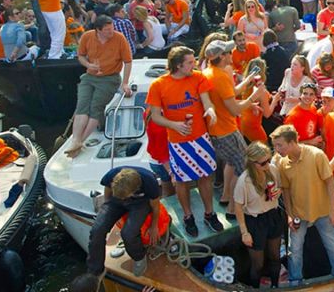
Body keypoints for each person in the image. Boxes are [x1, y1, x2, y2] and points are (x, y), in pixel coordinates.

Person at [145, 46, 224, 237]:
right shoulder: (158, 85)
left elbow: (207, 101)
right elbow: (155, 116)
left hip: (201, 137)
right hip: (178, 141)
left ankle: (209, 212)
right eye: (190, 62)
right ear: (178, 65)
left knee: (206, 176)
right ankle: (188, 216)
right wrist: (175, 125)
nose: (194, 65)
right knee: (182, 180)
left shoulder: (198, 78)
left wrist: (210, 111)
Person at [271, 124, 334, 285]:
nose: (276, 149)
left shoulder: (316, 155)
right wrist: (290, 215)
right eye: (275, 145)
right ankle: (295, 280)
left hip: (323, 210)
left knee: (333, 245)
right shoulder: (283, 163)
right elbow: (286, 191)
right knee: (294, 250)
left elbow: (329, 182)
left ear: (292, 142)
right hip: (299, 214)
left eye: (279, 145)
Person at [204, 39, 263, 217]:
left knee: (232, 163)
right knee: (243, 167)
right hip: (226, 131)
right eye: (229, 52)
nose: (233, 53)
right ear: (222, 57)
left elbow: (231, 94)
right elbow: (234, 109)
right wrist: (254, 96)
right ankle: (232, 209)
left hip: (219, 130)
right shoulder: (220, 76)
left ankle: (225, 197)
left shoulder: (211, 72)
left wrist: (248, 80)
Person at [65, 15, 133, 157]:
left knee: (96, 107)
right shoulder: (87, 37)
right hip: (90, 76)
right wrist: (88, 65)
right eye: (108, 30)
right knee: (82, 105)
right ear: (98, 30)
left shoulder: (119, 38)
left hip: (109, 78)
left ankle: (79, 142)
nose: (111, 31)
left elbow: (128, 61)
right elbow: (81, 56)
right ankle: (76, 139)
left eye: (112, 28)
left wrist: (125, 82)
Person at [86, 167, 160, 277]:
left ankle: (139, 257)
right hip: (116, 198)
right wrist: (108, 212)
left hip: (140, 202)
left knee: (128, 233)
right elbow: (108, 191)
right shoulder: (111, 175)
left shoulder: (149, 182)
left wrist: (154, 226)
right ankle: (95, 270)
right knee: (97, 230)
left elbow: (155, 206)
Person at [233, 142, 283, 287]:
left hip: (273, 215)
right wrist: (244, 232)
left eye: (269, 160)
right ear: (253, 163)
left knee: (275, 257)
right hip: (255, 221)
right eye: (263, 163)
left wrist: (278, 191)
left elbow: (280, 186)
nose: (267, 164)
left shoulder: (273, 169)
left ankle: (275, 285)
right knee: (258, 264)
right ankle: (254, 288)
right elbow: (238, 207)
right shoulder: (244, 181)